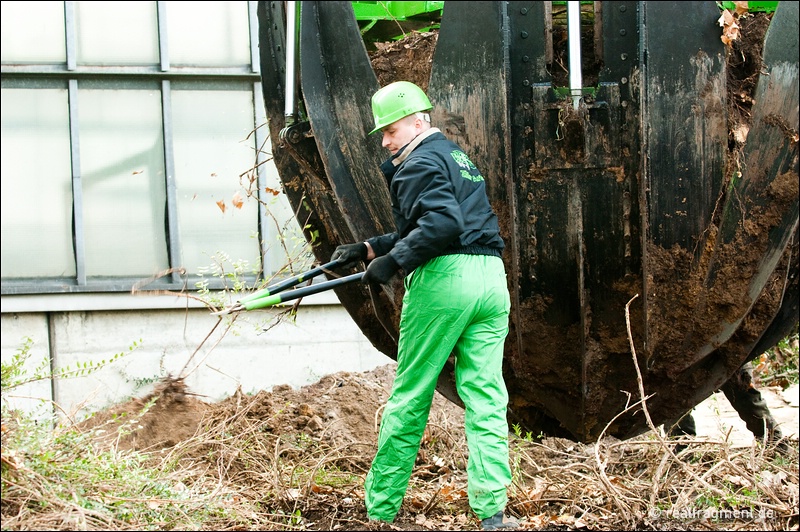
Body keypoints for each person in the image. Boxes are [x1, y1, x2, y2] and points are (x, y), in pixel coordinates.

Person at [331, 81, 519, 531]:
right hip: (490, 282)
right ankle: (492, 513)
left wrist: (396, 262)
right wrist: (369, 248)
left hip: (445, 283)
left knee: (411, 393)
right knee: (487, 397)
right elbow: (441, 221)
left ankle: (379, 509)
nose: (385, 141)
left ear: (418, 122)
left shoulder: (417, 162)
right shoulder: (456, 157)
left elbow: (439, 223)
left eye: (390, 130)